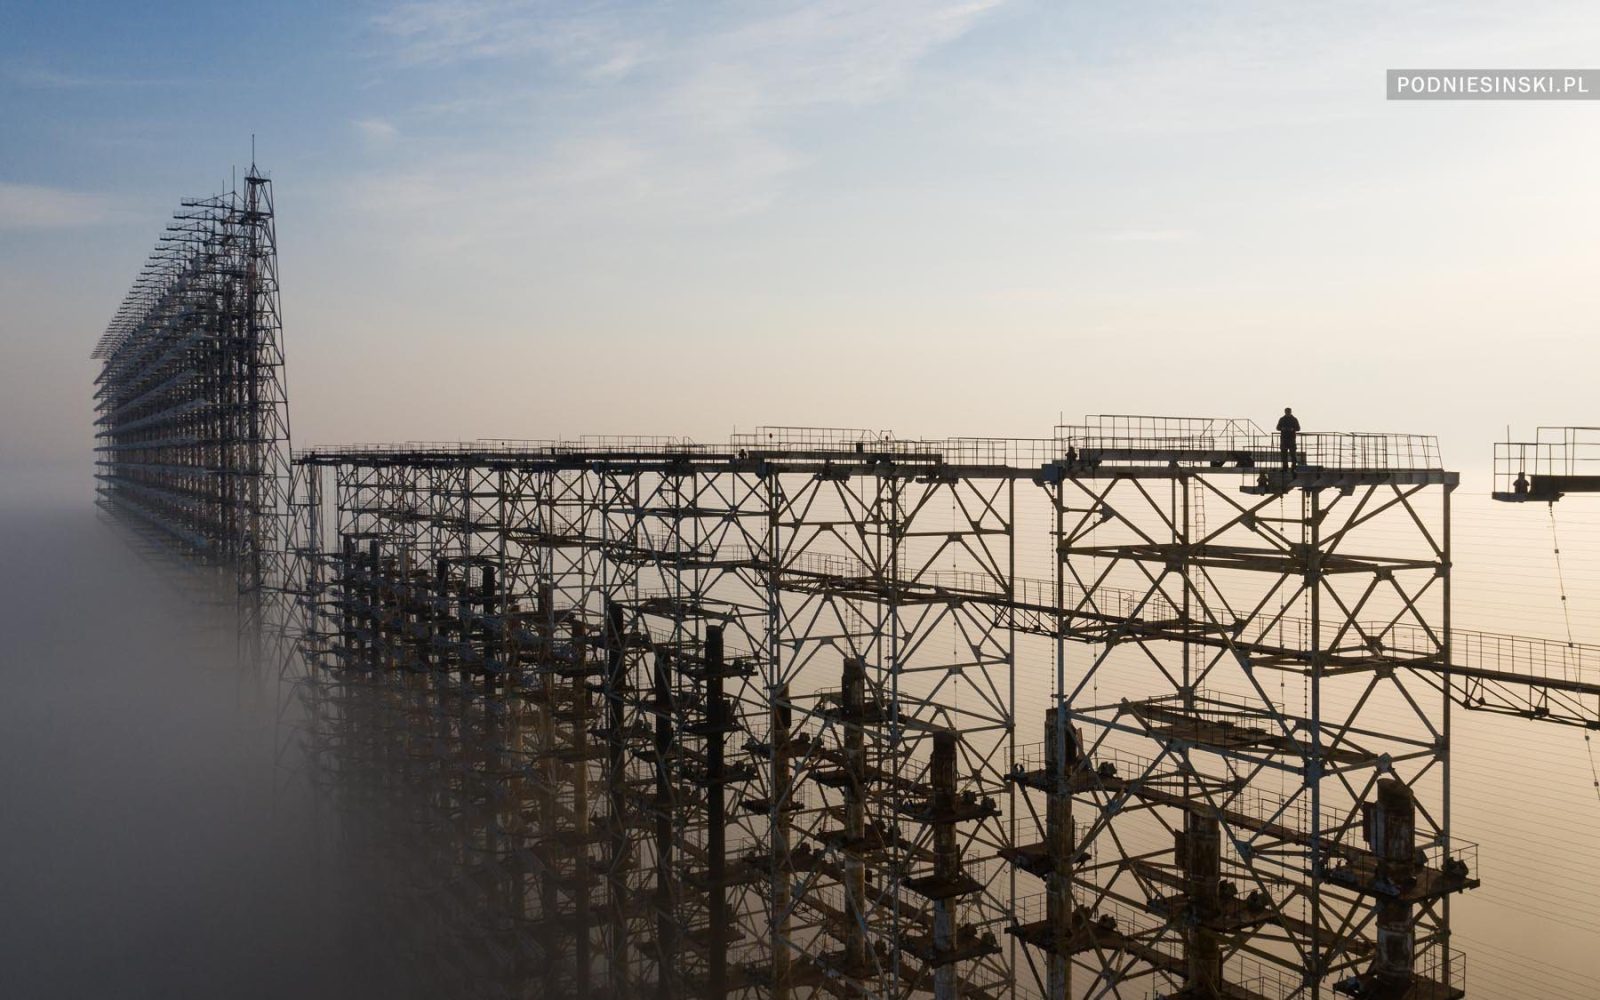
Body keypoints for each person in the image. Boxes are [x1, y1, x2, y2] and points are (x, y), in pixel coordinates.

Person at [1276, 407, 1300, 471]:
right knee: (1284, 454)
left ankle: (1294, 467)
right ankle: (1285, 467)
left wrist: (1292, 429)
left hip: (1291, 439)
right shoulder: (1282, 419)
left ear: (1290, 412)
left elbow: (1298, 428)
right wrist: (1282, 428)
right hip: (1284, 439)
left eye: (1288, 412)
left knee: (1292, 453)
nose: (1287, 413)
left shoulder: (1294, 419)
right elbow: (1278, 428)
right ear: (1285, 412)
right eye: (1287, 412)